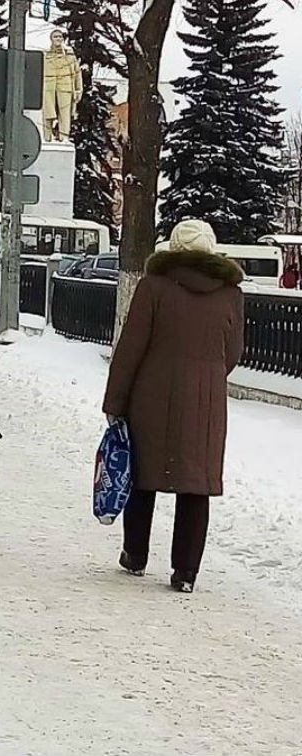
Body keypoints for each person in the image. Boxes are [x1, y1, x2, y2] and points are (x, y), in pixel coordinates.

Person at [103, 219, 244, 594]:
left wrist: (115, 400)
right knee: (197, 485)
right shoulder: (231, 294)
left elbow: (131, 348)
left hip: (151, 394)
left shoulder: (154, 287)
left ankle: (135, 555)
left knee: (142, 474)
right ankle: (185, 572)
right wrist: (207, 375)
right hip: (205, 402)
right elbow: (232, 354)